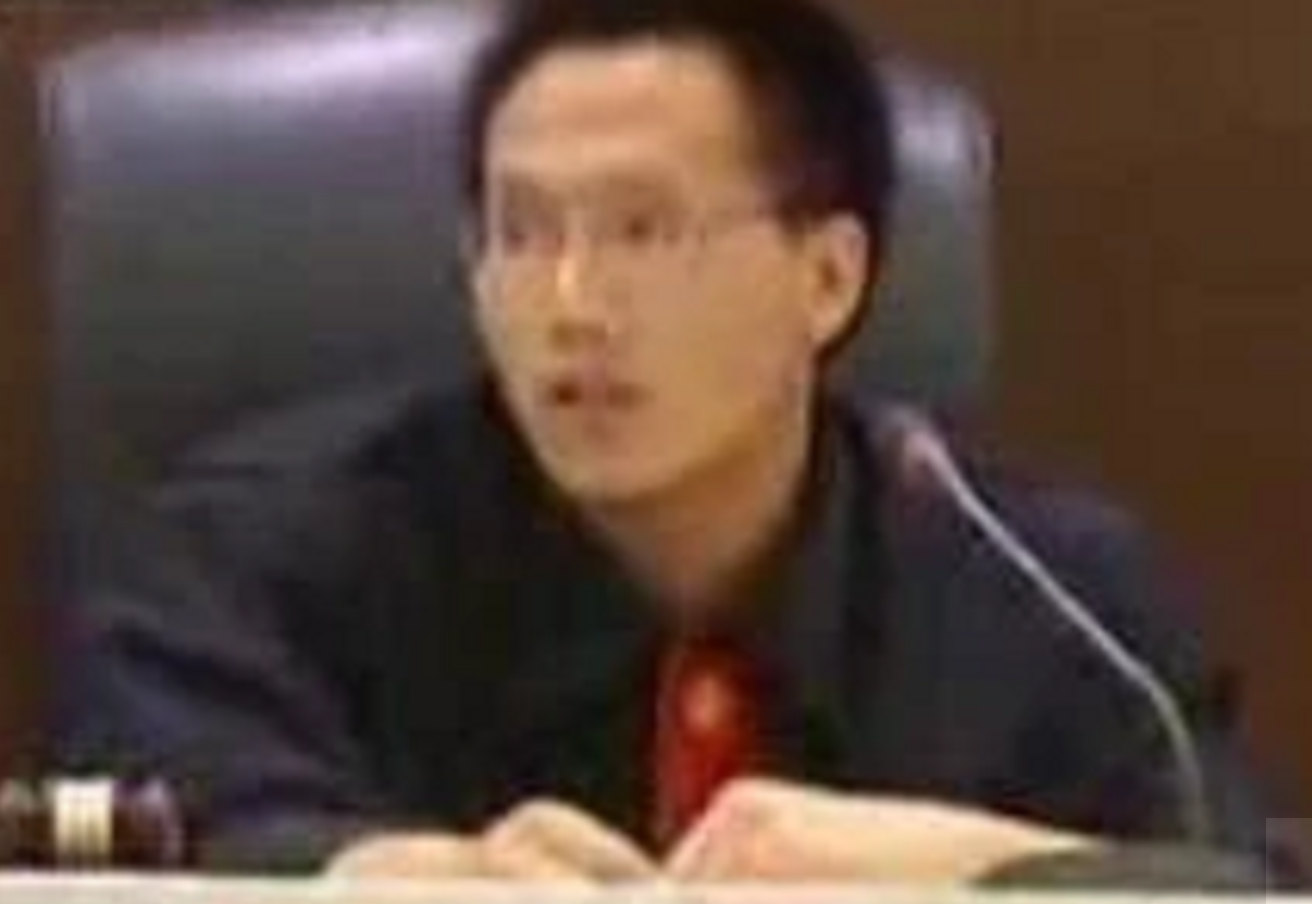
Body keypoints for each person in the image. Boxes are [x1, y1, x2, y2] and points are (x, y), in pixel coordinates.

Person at [52, 0, 1298, 886]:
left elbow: (1240, 876)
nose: (570, 304)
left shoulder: (1048, 598)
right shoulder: (265, 549)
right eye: (521, 233)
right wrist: (358, 871)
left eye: (644, 232)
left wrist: (994, 872)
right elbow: (129, 817)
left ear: (827, 277)